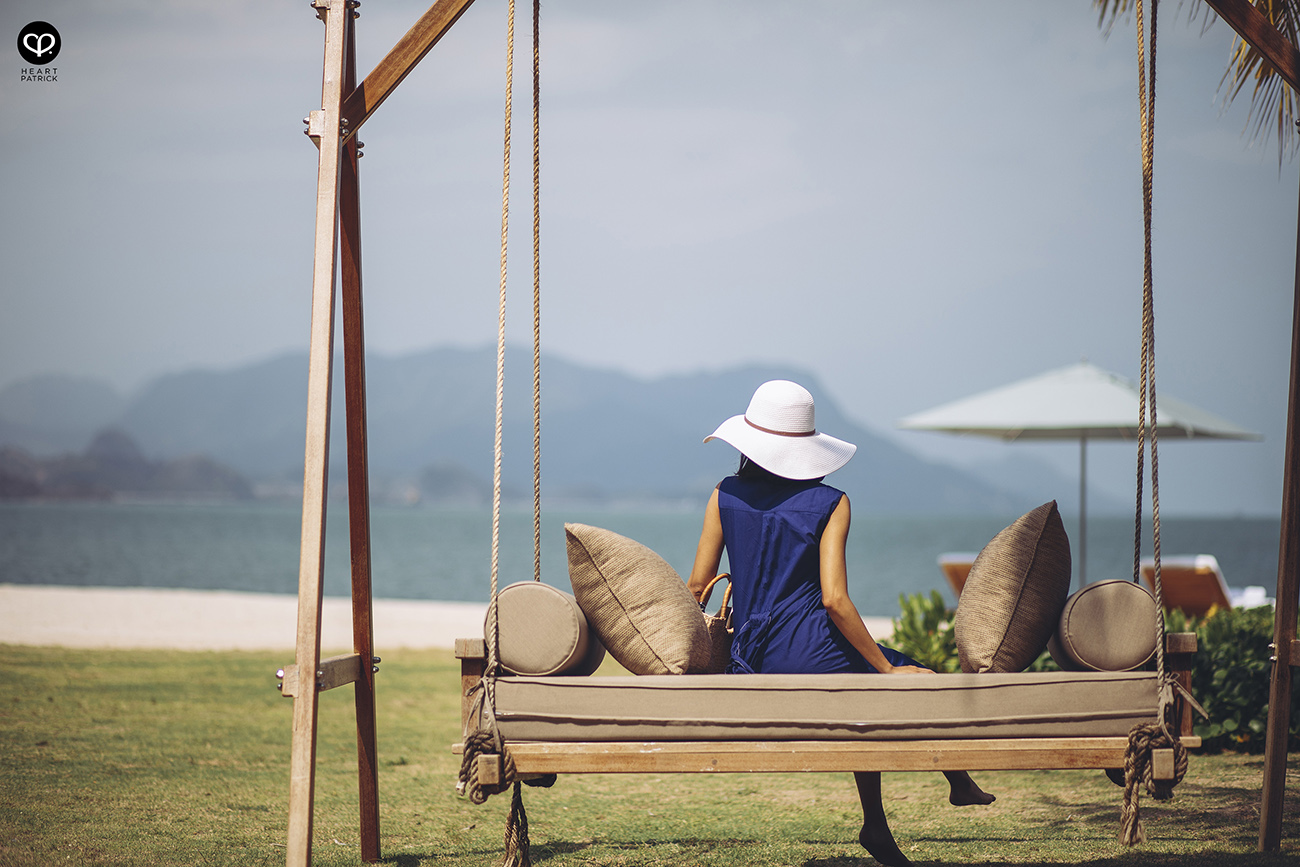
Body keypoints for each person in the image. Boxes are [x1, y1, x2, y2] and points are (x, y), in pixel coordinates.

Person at [686, 379, 993, 867]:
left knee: (866, 692)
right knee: (911, 677)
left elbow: (697, 587)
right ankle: (952, 782)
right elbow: (835, 601)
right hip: (811, 650)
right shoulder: (831, 503)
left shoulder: (724, 495)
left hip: (752, 658)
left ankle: (884, 822)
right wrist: (888, 670)